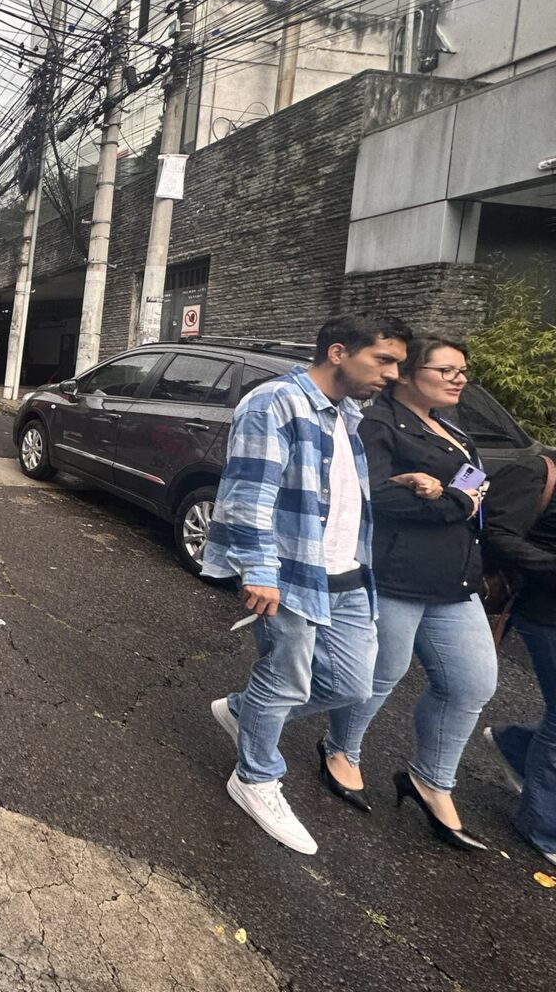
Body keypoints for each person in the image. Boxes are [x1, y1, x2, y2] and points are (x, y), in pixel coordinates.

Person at [203, 314, 411, 855]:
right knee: (287, 679)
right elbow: (250, 492)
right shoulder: (274, 402)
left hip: (345, 574)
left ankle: (245, 710)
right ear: (339, 352)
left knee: (352, 684)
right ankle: (255, 778)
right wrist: (261, 571)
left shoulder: (347, 413)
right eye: (383, 360)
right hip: (291, 574)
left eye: (398, 364)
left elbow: (335, 495)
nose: (392, 374)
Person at [317, 336, 494, 849]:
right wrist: (456, 501)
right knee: (378, 676)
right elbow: (372, 494)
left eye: (463, 370)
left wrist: (454, 498)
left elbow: (477, 488)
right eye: (447, 370)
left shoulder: (457, 431)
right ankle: (340, 749)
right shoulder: (379, 425)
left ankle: (431, 780)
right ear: (412, 373)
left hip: (456, 582)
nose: (459, 379)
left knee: (471, 684)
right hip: (395, 575)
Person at [483, 445, 556, 867]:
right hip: (544, 610)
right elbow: (495, 532)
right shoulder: (536, 469)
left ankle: (514, 744)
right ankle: (541, 825)